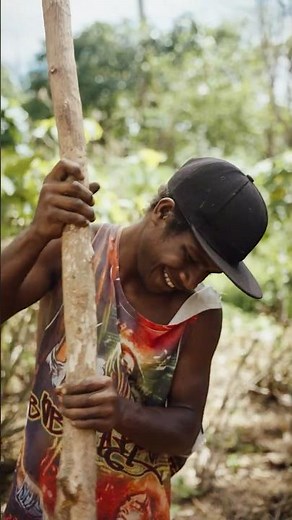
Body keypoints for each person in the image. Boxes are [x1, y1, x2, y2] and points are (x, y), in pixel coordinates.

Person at [1, 156, 268, 520]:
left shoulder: (198, 315)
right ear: (163, 212)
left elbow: (184, 431)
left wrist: (123, 413)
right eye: (189, 257)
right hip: (37, 503)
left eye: (207, 272)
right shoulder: (78, 249)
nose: (190, 279)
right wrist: (36, 233)